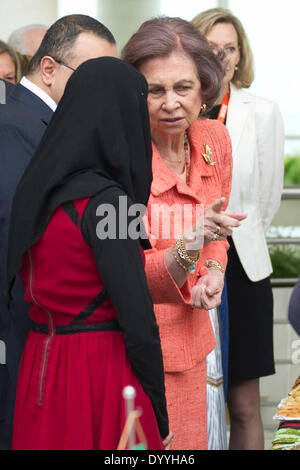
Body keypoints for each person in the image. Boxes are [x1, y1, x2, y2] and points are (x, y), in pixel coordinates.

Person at [6, 56, 172, 450]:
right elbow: (138, 319)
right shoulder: (112, 203)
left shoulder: (35, 189)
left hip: (40, 364)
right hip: (100, 369)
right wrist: (159, 411)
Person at [122, 16, 246, 450]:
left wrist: (213, 270)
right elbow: (130, 275)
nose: (170, 103)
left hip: (200, 338)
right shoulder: (125, 160)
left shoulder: (215, 139)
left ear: (204, 88)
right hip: (143, 353)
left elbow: (217, 230)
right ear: (135, 93)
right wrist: (190, 241)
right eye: (155, 90)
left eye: (183, 88)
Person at [0, 14, 117, 450]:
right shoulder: (15, 129)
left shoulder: (50, 127)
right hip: (25, 336)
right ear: (48, 69)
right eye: (90, 76)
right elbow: (15, 241)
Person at [192, 8, 284, 450]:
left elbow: (266, 199)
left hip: (243, 267)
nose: (221, 56)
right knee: (194, 393)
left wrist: (231, 235)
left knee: (244, 401)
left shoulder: (262, 111)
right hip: (188, 262)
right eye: (211, 47)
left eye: (229, 48)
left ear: (240, 54)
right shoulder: (180, 105)